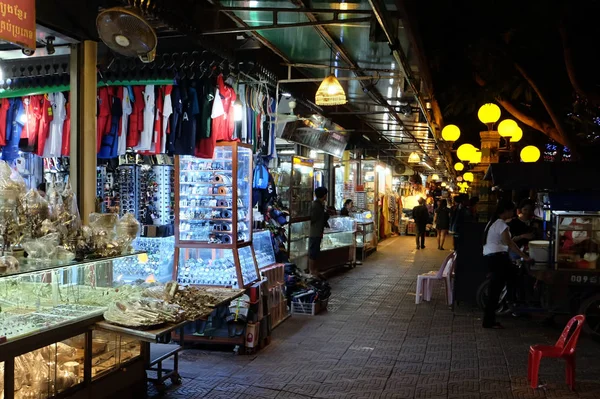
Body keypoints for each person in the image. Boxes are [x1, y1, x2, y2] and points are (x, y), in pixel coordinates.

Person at [482, 199, 530, 329]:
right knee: (503, 285)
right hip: (498, 259)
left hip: (492, 258)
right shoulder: (500, 224)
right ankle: (511, 304)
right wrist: (524, 256)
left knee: (496, 289)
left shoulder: (493, 223)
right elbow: (509, 243)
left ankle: (491, 318)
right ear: (506, 211)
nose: (513, 213)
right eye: (512, 210)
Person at [309, 186, 329, 279]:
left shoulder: (320, 204)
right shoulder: (316, 205)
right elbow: (312, 218)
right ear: (324, 195)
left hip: (318, 232)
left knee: (316, 251)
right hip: (314, 233)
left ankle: (315, 270)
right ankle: (312, 271)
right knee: (313, 252)